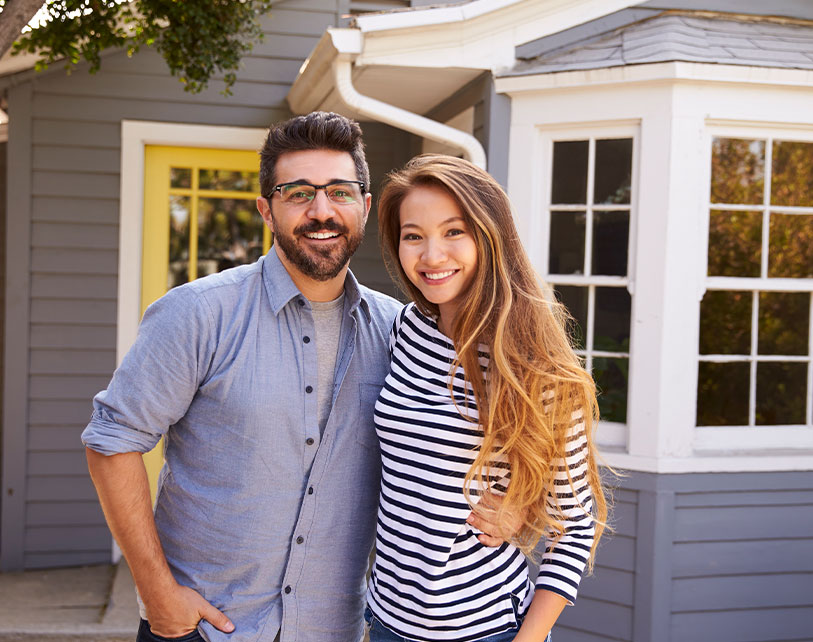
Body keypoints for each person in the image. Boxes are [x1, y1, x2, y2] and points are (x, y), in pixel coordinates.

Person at [81, 113, 506, 642]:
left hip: (333, 629)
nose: (322, 211)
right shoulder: (197, 314)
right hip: (203, 629)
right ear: (266, 208)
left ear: (366, 207)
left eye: (341, 193)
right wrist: (156, 593)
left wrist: (517, 508)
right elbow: (112, 443)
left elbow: (473, 443)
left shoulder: (401, 333)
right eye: (299, 193)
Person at [365, 154, 608, 642]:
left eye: (453, 232)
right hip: (386, 622)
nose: (431, 256)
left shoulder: (536, 366)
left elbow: (575, 525)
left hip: (485, 629)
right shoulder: (405, 331)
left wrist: (529, 638)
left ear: (490, 236)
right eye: (413, 235)